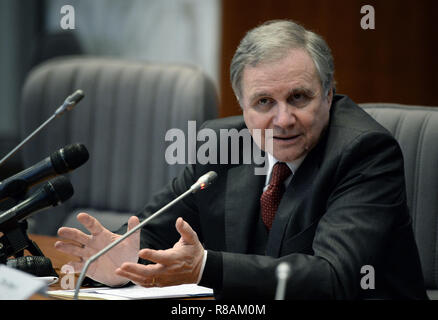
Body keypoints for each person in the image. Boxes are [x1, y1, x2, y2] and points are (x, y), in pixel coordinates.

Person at [54, 20, 427, 299]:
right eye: (264, 102)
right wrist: (122, 261)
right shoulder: (219, 145)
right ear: (242, 106)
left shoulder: (365, 152)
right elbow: (156, 231)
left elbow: (334, 278)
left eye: (299, 97)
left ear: (329, 95)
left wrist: (204, 268)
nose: (282, 119)